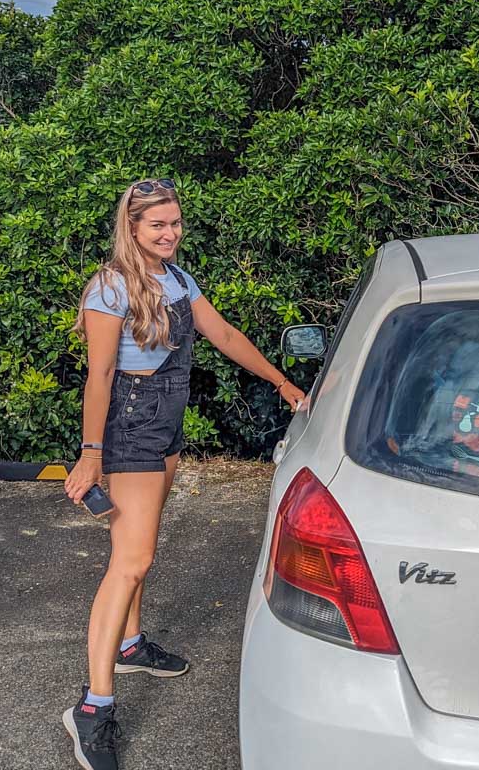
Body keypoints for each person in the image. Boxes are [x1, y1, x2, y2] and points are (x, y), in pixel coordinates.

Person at [61, 178, 305, 770]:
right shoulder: (109, 289)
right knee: (132, 560)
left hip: (167, 424)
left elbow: (221, 334)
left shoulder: (178, 280)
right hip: (129, 428)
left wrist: (281, 381)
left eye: (174, 223)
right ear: (132, 227)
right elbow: (99, 378)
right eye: (157, 226)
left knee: (138, 545)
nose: (169, 234)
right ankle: (91, 709)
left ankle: (129, 643)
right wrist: (91, 452)